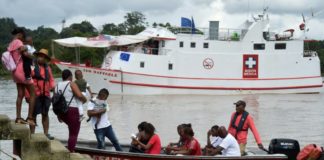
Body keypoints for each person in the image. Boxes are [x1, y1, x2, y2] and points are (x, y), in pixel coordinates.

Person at [8, 27, 36, 126]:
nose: (23, 40)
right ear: (20, 34)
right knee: (33, 93)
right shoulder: (18, 42)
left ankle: (18, 118)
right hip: (22, 71)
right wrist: (33, 55)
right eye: (23, 37)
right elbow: (25, 53)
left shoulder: (11, 43)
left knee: (20, 95)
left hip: (15, 72)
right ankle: (30, 118)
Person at [26, 49, 55, 140]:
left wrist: (52, 87)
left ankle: (46, 133)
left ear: (45, 59)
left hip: (46, 95)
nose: (40, 58)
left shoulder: (48, 68)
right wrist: (27, 95)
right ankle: (32, 134)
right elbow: (27, 80)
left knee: (45, 114)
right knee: (33, 114)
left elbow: (51, 80)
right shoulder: (32, 66)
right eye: (39, 56)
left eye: (43, 57)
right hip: (34, 94)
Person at [56, 69, 87, 152]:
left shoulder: (57, 85)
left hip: (61, 112)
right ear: (70, 76)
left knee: (71, 130)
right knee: (73, 133)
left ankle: (70, 148)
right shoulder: (71, 84)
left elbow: (56, 100)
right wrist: (85, 100)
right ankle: (70, 152)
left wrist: (58, 115)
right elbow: (79, 95)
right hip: (72, 110)